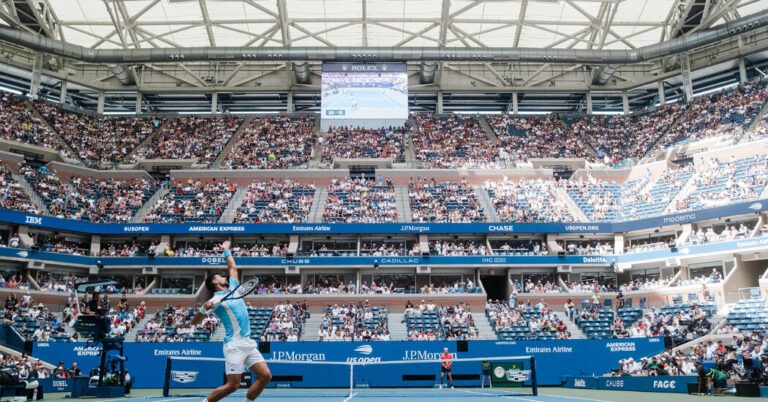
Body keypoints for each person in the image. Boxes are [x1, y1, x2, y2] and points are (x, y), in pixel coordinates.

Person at [191, 241, 271, 402]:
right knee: (233, 385)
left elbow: (232, 267)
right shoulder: (215, 300)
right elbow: (194, 323)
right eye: (220, 276)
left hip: (248, 342)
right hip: (234, 345)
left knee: (265, 376)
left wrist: (226, 250)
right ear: (214, 281)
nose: (224, 276)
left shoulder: (234, 287)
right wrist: (203, 309)